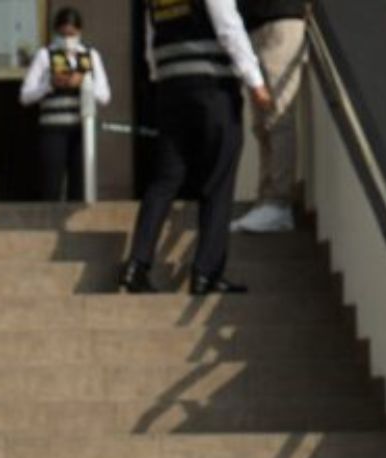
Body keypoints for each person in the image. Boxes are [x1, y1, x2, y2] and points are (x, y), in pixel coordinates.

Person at [118, 0, 275, 295]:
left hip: (170, 90)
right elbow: (229, 27)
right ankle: (206, 273)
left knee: (164, 180)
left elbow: (150, 40)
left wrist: (158, 78)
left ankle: (136, 265)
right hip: (212, 88)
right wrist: (255, 82)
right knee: (218, 178)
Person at [17, 8, 112, 202]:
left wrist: (84, 82)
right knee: (51, 183)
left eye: (72, 34)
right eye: (63, 34)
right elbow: (25, 96)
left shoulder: (90, 55)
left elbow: (105, 95)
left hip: (81, 129)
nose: (67, 39)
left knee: (79, 185)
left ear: (79, 32)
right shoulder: (45, 55)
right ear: (55, 32)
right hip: (52, 129)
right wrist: (49, 85)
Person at [230, 0, 308, 234]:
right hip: (254, 23)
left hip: (282, 19)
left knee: (277, 116)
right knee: (262, 123)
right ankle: (266, 202)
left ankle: (278, 203)